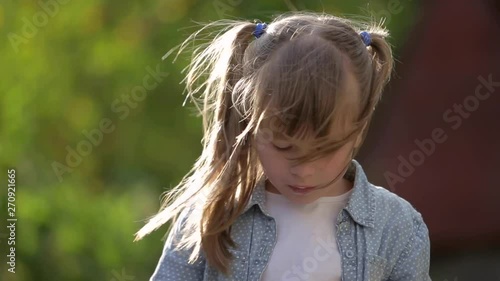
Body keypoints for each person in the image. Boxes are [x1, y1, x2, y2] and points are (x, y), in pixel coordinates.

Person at [135, 12, 431, 281]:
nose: (304, 170)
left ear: (358, 129)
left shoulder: (397, 227)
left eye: (325, 150)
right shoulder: (212, 217)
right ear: (251, 124)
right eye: (284, 147)